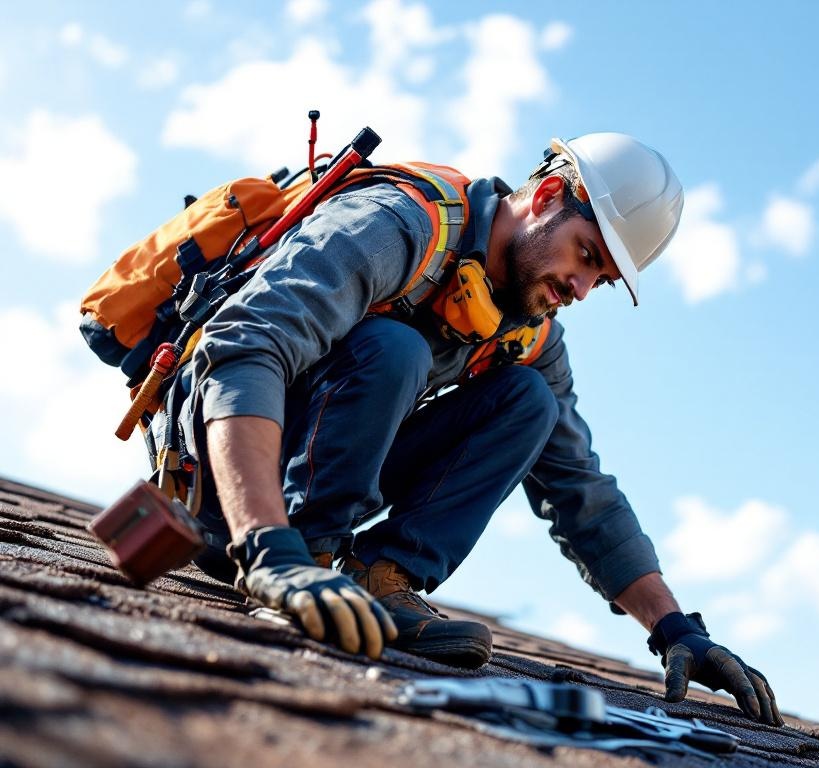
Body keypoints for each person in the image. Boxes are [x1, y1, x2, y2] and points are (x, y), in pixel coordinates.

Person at [178, 132, 783, 726]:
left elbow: (580, 488)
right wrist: (268, 545)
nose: (580, 288)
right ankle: (302, 553)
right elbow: (248, 345)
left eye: (600, 281)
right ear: (546, 196)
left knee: (529, 400)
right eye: (587, 255)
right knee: (396, 348)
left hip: (294, 492)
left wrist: (674, 628)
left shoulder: (528, 333)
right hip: (231, 493)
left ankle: (378, 579)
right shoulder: (402, 225)